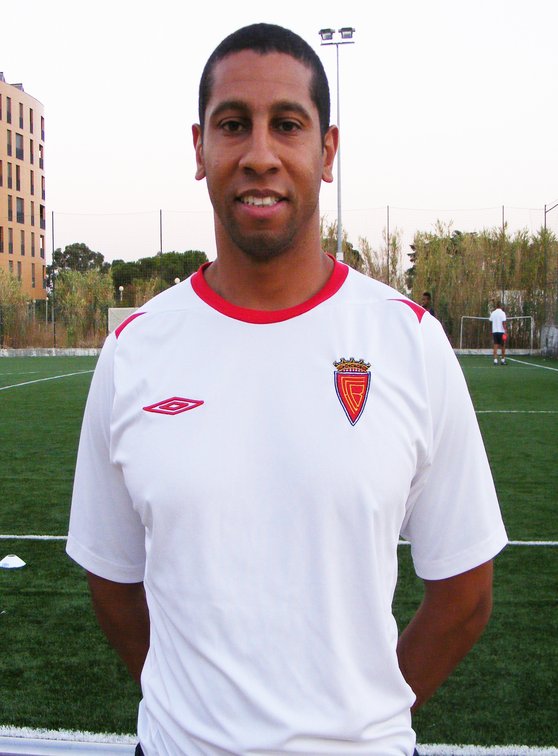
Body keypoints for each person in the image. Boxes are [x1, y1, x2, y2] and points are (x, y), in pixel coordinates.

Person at [66, 23, 508, 756]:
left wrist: (360, 723)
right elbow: (112, 583)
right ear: (200, 149)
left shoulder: (409, 341)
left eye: (288, 125)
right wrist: (196, 721)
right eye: (233, 124)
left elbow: (465, 594)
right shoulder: (135, 348)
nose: (260, 155)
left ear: (327, 152)